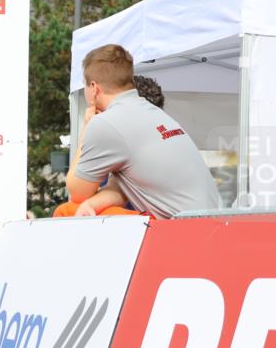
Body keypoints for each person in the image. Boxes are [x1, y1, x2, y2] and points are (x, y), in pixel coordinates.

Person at [58, 44, 221, 219]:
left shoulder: (105, 123)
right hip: (210, 224)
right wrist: (92, 204)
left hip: (181, 230)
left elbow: (77, 192)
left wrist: (87, 128)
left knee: (66, 211)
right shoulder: (152, 112)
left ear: (94, 87)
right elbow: (123, 187)